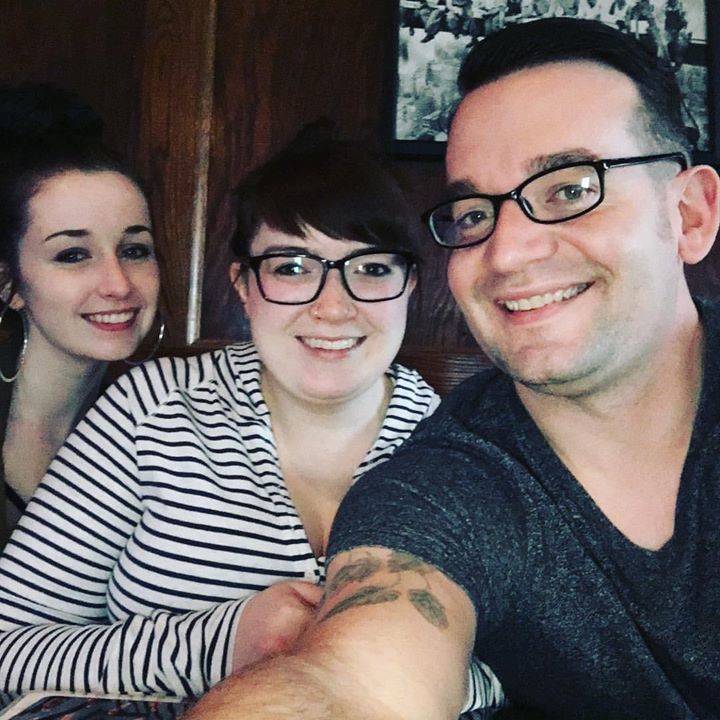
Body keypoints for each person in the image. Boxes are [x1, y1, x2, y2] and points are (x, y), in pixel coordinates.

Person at [185, 18, 720, 720]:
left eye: (568, 190)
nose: (507, 252)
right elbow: (348, 681)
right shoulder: (438, 486)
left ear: (688, 215)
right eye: (473, 214)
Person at [0, 127, 502, 712]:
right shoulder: (150, 409)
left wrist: (356, 660)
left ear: (410, 285)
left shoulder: (461, 446)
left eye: (370, 268)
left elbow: (525, 668)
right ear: (243, 285)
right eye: (291, 268)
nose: (333, 307)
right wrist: (225, 642)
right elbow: (7, 645)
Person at [0, 84, 161, 549]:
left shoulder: (158, 428)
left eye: (135, 250)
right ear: (9, 285)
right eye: (72, 255)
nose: (118, 284)